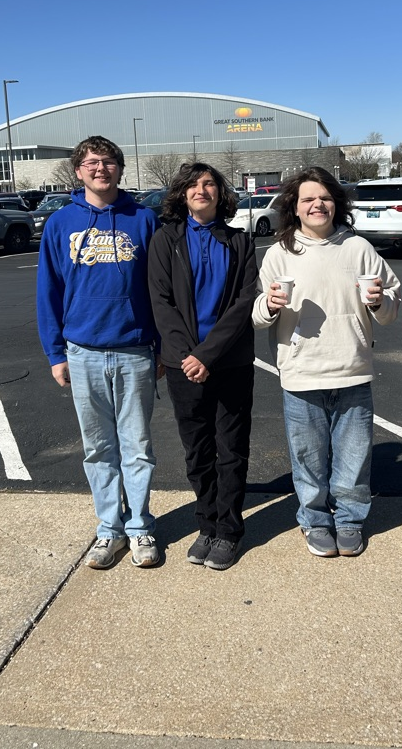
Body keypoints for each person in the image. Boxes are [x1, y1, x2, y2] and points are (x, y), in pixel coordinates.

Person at [253, 167, 400, 558]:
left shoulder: (358, 248)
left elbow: (390, 309)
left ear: (336, 203)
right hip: (301, 373)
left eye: (325, 197)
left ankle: (350, 519)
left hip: (352, 367)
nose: (318, 204)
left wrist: (378, 301)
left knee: (354, 457)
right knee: (308, 458)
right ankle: (315, 520)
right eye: (308, 199)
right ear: (295, 208)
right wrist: (269, 305)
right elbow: (256, 315)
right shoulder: (279, 254)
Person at [37, 136, 162, 570]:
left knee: (138, 447)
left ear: (120, 169)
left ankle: (140, 526)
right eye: (91, 162)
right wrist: (56, 354)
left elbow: (161, 291)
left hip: (134, 351)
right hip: (83, 352)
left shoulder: (144, 219)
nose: (100, 169)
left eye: (108, 161)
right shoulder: (60, 223)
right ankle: (109, 530)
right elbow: (48, 293)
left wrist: (160, 348)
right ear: (78, 170)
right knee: (98, 449)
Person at [148, 162, 256, 571]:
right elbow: (161, 303)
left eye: (209, 183)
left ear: (220, 193)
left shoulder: (240, 242)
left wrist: (207, 355)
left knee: (231, 449)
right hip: (183, 365)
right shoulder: (166, 240)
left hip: (229, 362)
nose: (201, 189)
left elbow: (244, 303)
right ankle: (206, 525)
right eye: (193, 184)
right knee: (198, 451)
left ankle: (229, 532)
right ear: (182, 193)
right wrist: (186, 356)